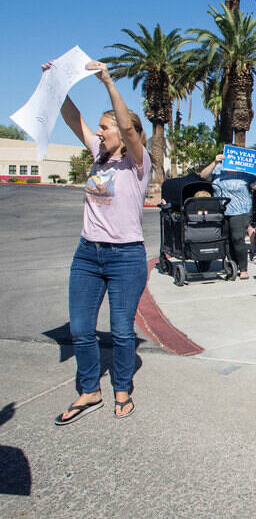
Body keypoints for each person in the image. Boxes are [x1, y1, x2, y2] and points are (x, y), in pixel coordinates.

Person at [47, 59, 152, 424]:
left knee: (122, 330)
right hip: (87, 255)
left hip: (126, 258)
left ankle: (121, 389)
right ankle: (89, 391)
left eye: (106, 128)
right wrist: (56, 83)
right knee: (80, 328)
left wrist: (108, 82)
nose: (101, 132)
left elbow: (125, 124)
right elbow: (73, 118)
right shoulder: (98, 156)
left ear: (125, 135)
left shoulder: (138, 162)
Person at [199, 153, 256, 279]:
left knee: (237, 238)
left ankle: (243, 268)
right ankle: (231, 265)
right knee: (226, 239)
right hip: (220, 209)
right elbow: (203, 176)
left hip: (240, 209)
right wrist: (214, 162)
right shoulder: (218, 169)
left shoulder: (245, 171)